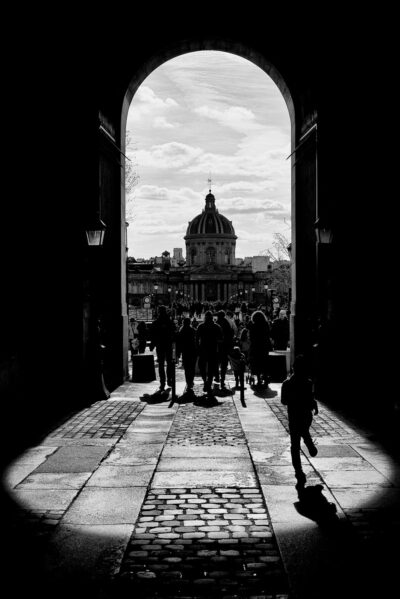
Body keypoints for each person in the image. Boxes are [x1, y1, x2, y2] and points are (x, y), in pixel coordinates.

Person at [281, 354, 319, 491]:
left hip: (294, 416)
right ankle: (308, 442)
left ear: (293, 368)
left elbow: (283, 401)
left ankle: (298, 471)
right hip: (305, 415)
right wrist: (314, 406)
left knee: (294, 445)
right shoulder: (308, 383)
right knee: (304, 430)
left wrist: (293, 400)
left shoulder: (286, 384)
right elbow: (311, 399)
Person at [149, 305, 175, 392]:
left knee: (161, 364)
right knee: (169, 363)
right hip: (168, 345)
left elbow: (153, 335)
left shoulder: (156, 322)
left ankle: (162, 383)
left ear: (159, 312)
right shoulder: (170, 322)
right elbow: (174, 333)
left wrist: (152, 345)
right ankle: (169, 380)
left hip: (160, 345)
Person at [196, 310, 223, 394]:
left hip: (203, 349)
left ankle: (205, 381)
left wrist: (198, 348)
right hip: (213, 349)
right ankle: (209, 382)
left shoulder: (201, 326)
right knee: (211, 368)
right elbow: (221, 339)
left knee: (202, 367)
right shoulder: (217, 327)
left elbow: (196, 339)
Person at [248, 310, 273, 387]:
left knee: (256, 362)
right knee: (265, 362)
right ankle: (265, 376)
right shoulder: (265, 324)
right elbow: (269, 334)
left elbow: (251, 337)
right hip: (265, 346)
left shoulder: (253, 325)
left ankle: (258, 379)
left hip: (256, 346)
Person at [177, 317, 197, 392]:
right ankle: (191, 381)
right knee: (192, 368)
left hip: (185, 352)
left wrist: (178, 353)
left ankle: (188, 382)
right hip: (193, 351)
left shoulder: (181, 331)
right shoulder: (193, 330)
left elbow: (179, 343)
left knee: (186, 368)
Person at [215, 310, 235, 388]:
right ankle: (222, 379)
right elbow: (231, 333)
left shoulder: (216, 323)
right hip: (225, 346)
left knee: (216, 363)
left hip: (217, 347)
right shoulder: (227, 323)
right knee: (224, 364)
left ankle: (217, 377)